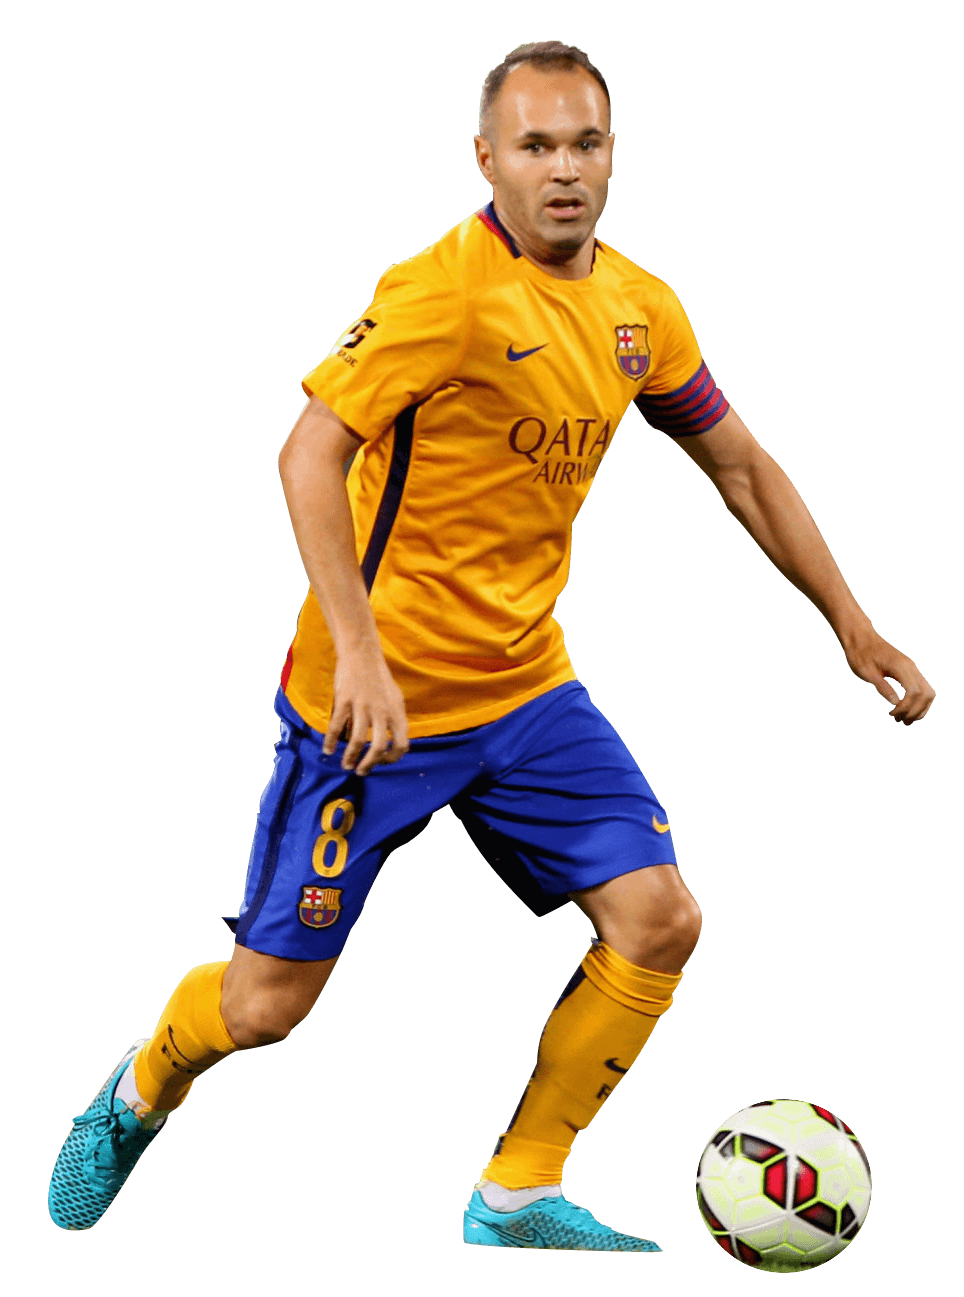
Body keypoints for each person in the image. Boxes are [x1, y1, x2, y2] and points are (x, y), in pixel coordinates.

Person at [48, 41, 936, 1246]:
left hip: (525, 689)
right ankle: (144, 1082)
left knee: (661, 921)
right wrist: (361, 653)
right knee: (262, 1015)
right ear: (487, 159)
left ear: (612, 156)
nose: (562, 170)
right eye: (534, 146)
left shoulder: (640, 310)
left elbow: (738, 465)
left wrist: (851, 621)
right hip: (370, 704)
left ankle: (517, 1192)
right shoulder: (441, 291)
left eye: (584, 144)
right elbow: (307, 454)